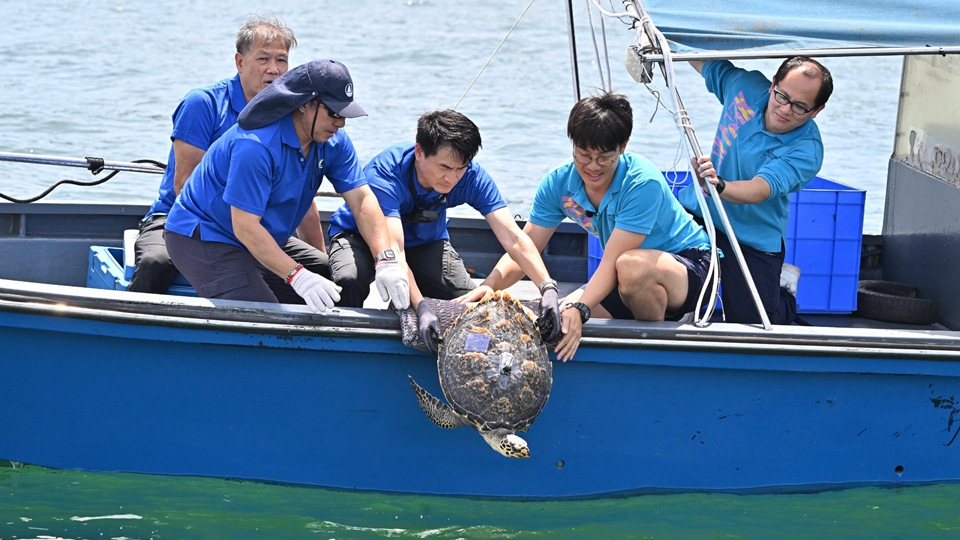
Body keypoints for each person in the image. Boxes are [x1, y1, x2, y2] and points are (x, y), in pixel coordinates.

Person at [459, 92, 713, 360]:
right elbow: (526, 247)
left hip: (688, 265)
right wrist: (491, 285)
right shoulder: (558, 183)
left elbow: (613, 261)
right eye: (583, 155)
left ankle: (652, 352)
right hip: (623, 276)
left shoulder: (641, 183)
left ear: (623, 146)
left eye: (604, 157)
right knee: (551, 322)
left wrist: (580, 307)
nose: (593, 167)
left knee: (630, 266)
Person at [163, 59, 409, 313]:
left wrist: (386, 259)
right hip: (206, 237)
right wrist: (298, 276)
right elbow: (245, 226)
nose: (341, 123)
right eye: (334, 113)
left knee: (339, 283)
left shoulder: (333, 140)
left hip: (264, 236)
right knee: (265, 317)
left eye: (345, 114)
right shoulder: (256, 146)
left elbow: (361, 199)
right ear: (304, 104)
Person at [128, 15, 328, 304]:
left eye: (281, 60)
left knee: (323, 268)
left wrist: (317, 258)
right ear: (239, 62)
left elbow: (301, 197)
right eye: (263, 59)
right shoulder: (203, 104)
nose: (273, 69)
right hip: (184, 221)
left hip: (255, 225)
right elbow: (183, 184)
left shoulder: (294, 116)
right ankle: (133, 322)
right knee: (156, 263)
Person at [326, 109, 561, 352]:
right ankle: (341, 347)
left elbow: (513, 237)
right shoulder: (386, 174)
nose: (452, 178)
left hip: (425, 243)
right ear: (419, 152)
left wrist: (547, 287)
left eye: (461, 168)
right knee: (350, 280)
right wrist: (420, 306)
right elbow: (395, 250)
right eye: (445, 167)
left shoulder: (471, 176)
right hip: (360, 237)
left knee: (471, 304)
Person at [681, 56, 833, 325]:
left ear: (816, 110)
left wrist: (718, 185)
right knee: (669, 285)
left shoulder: (807, 150)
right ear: (773, 84)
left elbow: (760, 189)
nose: (785, 109)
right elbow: (701, 61)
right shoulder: (745, 86)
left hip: (752, 236)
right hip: (699, 212)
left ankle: (783, 292)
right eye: (782, 96)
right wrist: (666, 39)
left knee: (753, 323)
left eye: (800, 106)